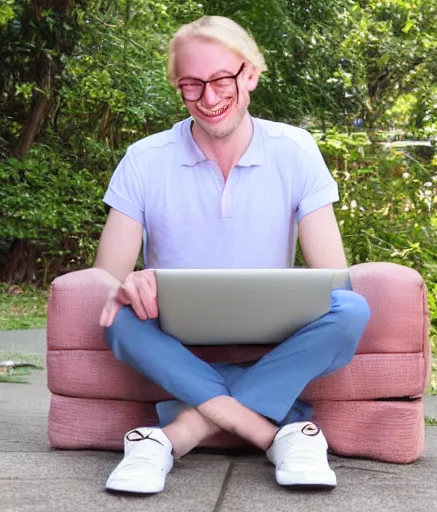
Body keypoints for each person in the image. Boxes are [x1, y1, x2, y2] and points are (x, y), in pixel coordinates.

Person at [94, 15, 371, 494]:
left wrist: (325, 293)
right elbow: (103, 280)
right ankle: (279, 434)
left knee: (352, 308)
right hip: (173, 325)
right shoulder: (144, 158)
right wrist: (126, 285)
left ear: (251, 74)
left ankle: (174, 435)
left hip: (277, 327)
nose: (210, 98)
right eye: (191, 85)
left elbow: (333, 278)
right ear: (177, 86)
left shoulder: (296, 149)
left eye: (222, 79)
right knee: (116, 318)